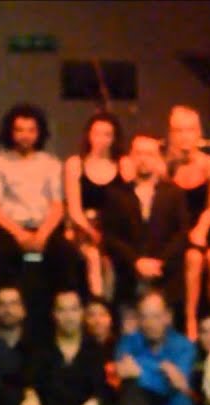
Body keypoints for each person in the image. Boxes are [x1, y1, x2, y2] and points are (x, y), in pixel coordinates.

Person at [0, 104, 81, 298]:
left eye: (31, 130)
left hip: (44, 228)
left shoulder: (51, 163)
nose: (25, 135)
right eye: (19, 130)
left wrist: (42, 235)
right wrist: (20, 235)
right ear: (10, 132)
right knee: (3, 255)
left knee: (67, 255)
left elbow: (58, 206)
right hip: (9, 229)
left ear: (39, 132)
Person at [102, 132, 192, 309]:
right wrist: (135, 262)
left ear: (159, 158)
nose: (143, 159)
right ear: (130, 157)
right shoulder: (116, 194)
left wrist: (159, 262)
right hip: (128, 278)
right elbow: (110, 236)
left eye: (149, 154)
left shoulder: (174, 194)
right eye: (138, 153)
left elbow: (182, 234)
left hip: (166, 279)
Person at [20, 290, 110, 405]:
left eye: (74, 310)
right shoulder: (42, 348)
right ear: (55, 315)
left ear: (82, 313)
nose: (69, 317)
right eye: (62, 310)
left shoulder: (93, 349)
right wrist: (31, 398)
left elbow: (99, 388)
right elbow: (30, 382)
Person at [114, 290, 199, 405]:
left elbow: (176, 386)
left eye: (155, 316)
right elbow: (123, 371)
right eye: (144, 317)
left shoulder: (183, 346)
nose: (149, 323)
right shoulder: (129, 341)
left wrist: (141, 372)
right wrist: (161, 370)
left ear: (167, 317)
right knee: (130, 389)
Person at [167, 106, 210, 341]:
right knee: (193, 258)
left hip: (201, 225)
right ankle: (190, 319)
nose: (184, 136)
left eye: (190, 130)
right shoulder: (166, 166)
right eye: (179, 130)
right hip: (175, 229)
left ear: (198, 132)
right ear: (172, 134)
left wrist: (201, 229)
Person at [64, 111, 129, 300]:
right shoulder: (75, 164)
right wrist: (92, 232)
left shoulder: (123, 165)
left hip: (113, 229)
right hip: (84, 227)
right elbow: (74, 210)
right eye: (97, 133)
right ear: (88, 135)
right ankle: (97, 301)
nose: (101, 139)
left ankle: (109, 308)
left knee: (111, 261)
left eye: (107, 134)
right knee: (93, 257)